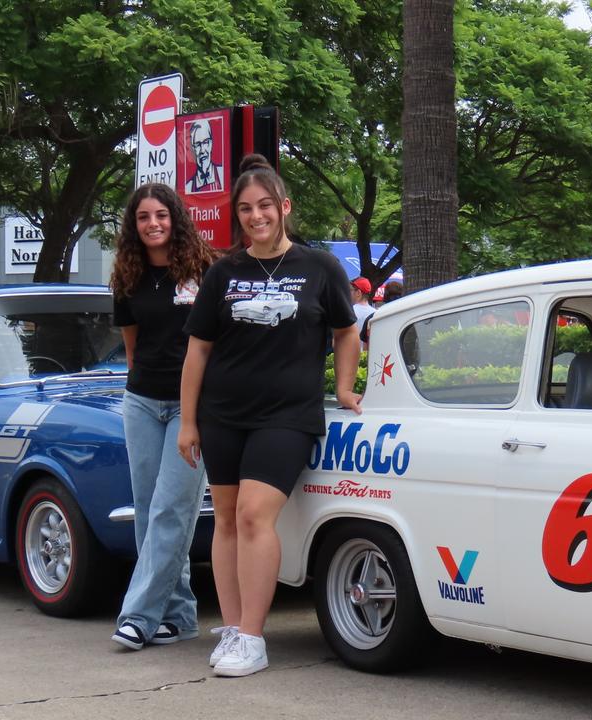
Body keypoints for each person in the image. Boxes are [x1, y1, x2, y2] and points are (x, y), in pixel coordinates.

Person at [178, 154, 361, 677]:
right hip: (223, 414)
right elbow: (198, 351)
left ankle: (254, 638)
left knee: (257, 516)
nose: (256, 217)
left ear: (283, 207)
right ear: (237, 216)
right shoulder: (224, 272)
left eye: (264, 206)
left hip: (287, 415)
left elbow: (347, 331)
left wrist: (345, 389)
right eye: (245, 210)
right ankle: (233, 627)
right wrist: (189, 421)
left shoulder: (319, 267)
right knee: (229, 520)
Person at [109, 183, 217, 651]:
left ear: (175, 218)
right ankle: (179, 615)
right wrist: (142, 391)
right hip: (140, 404)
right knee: (148, 513)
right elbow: (133, 350)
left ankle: (137, 615)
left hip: (190, 407)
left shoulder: (203, 269)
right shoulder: (126, 277)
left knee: (172, 508)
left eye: (160, 215)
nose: (153, 224)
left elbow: (217, 341)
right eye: (143, 218)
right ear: (134, 226)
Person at [185, 120, 224, 194]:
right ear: (192, 149)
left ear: (211, 143)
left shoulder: (223, 175)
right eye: (197, 145)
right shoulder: (188, 187)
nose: (202, 150)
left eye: (205, 142)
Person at [350, 276, 374, 341]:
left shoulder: (349, 311)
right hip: (369, 351)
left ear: (358, 293)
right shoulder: (376, 313)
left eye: (350, 290)